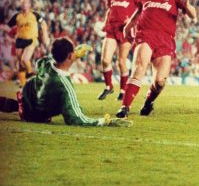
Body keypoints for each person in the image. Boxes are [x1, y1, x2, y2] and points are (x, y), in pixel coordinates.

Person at [116, 0, 197, 118]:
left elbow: (193, 15)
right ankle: (125, 107)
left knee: (160, 81)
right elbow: (139, 11)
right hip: (145, 34)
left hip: (166, 40)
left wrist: (187, 3)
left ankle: (148, 102)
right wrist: (128, 26)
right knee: (139, 66)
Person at [0, 37, 131, 127]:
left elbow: (41, 61)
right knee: (72, 107)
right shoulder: (64, 86)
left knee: (22, 101)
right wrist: (105, 121)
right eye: (74, 52)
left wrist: (73, 54)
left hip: (26, 97)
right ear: (69, 56)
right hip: (34, 116)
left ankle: (18, 105)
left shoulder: (45, 63)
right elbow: (75, 118)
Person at [98, 0, 140, 101]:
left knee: (121, 61)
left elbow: (141, 10)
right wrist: (105, 23)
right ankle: (109, 86)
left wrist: (132, 22)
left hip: (125, 29)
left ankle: (123, 90)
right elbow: (109, 10)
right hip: (112, 28)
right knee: (105, 60)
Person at [1, 0, 50, 87]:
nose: (24, 4)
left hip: (31, 40)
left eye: (26, 3)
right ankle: (23, 84)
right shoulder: (17, 16)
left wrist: (45, 34)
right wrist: (2, 27)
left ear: (29, 5)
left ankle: (32, 75)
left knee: (25, 59)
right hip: (20, 41)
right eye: (22, 2)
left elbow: (43, 23)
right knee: (20, 62)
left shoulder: (35, 15)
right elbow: (7, 27)